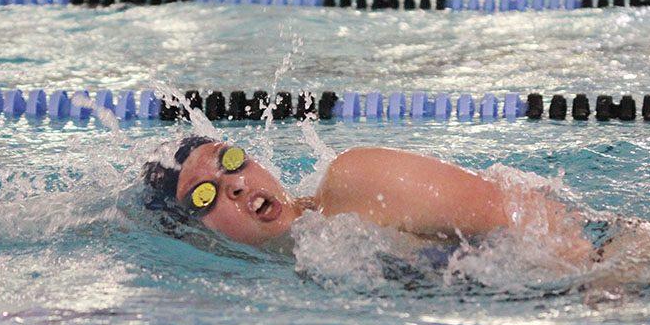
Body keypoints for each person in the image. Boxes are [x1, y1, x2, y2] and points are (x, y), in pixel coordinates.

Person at [141, 136, 605, 267]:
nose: (235, 185)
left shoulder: (356, 182)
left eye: (231, 160)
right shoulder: (295, 266)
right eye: (204, 196)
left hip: (623, 261)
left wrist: (604, 284)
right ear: (197, 236)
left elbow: (534, 216)